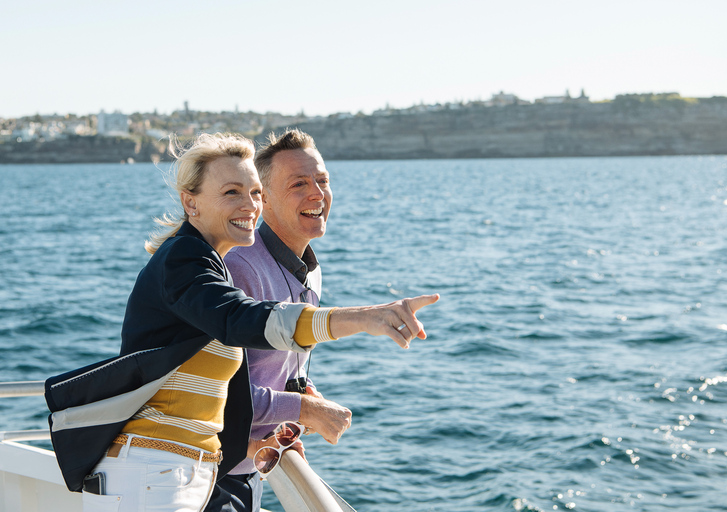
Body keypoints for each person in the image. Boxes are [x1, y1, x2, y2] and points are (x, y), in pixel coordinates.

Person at [43, 132, 439, 512]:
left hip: (186, 468)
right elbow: (241, 319)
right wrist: (363, 318)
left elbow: (216, 385)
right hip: (152, 472)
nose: (250, 205)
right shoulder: (185, 260)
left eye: (253, 193)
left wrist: (262, 436)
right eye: (231, 192)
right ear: (191, 203)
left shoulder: (210, 263)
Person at [206, 129, 343, 511]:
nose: (317, 193)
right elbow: (219, 395)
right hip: (212, 470)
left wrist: (304, 393)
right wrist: (305, 409)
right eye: (299, 183)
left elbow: (277, 368)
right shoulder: (240, 268)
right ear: (263, 200)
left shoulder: (309, 269)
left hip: (253, 462)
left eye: (323, 180)